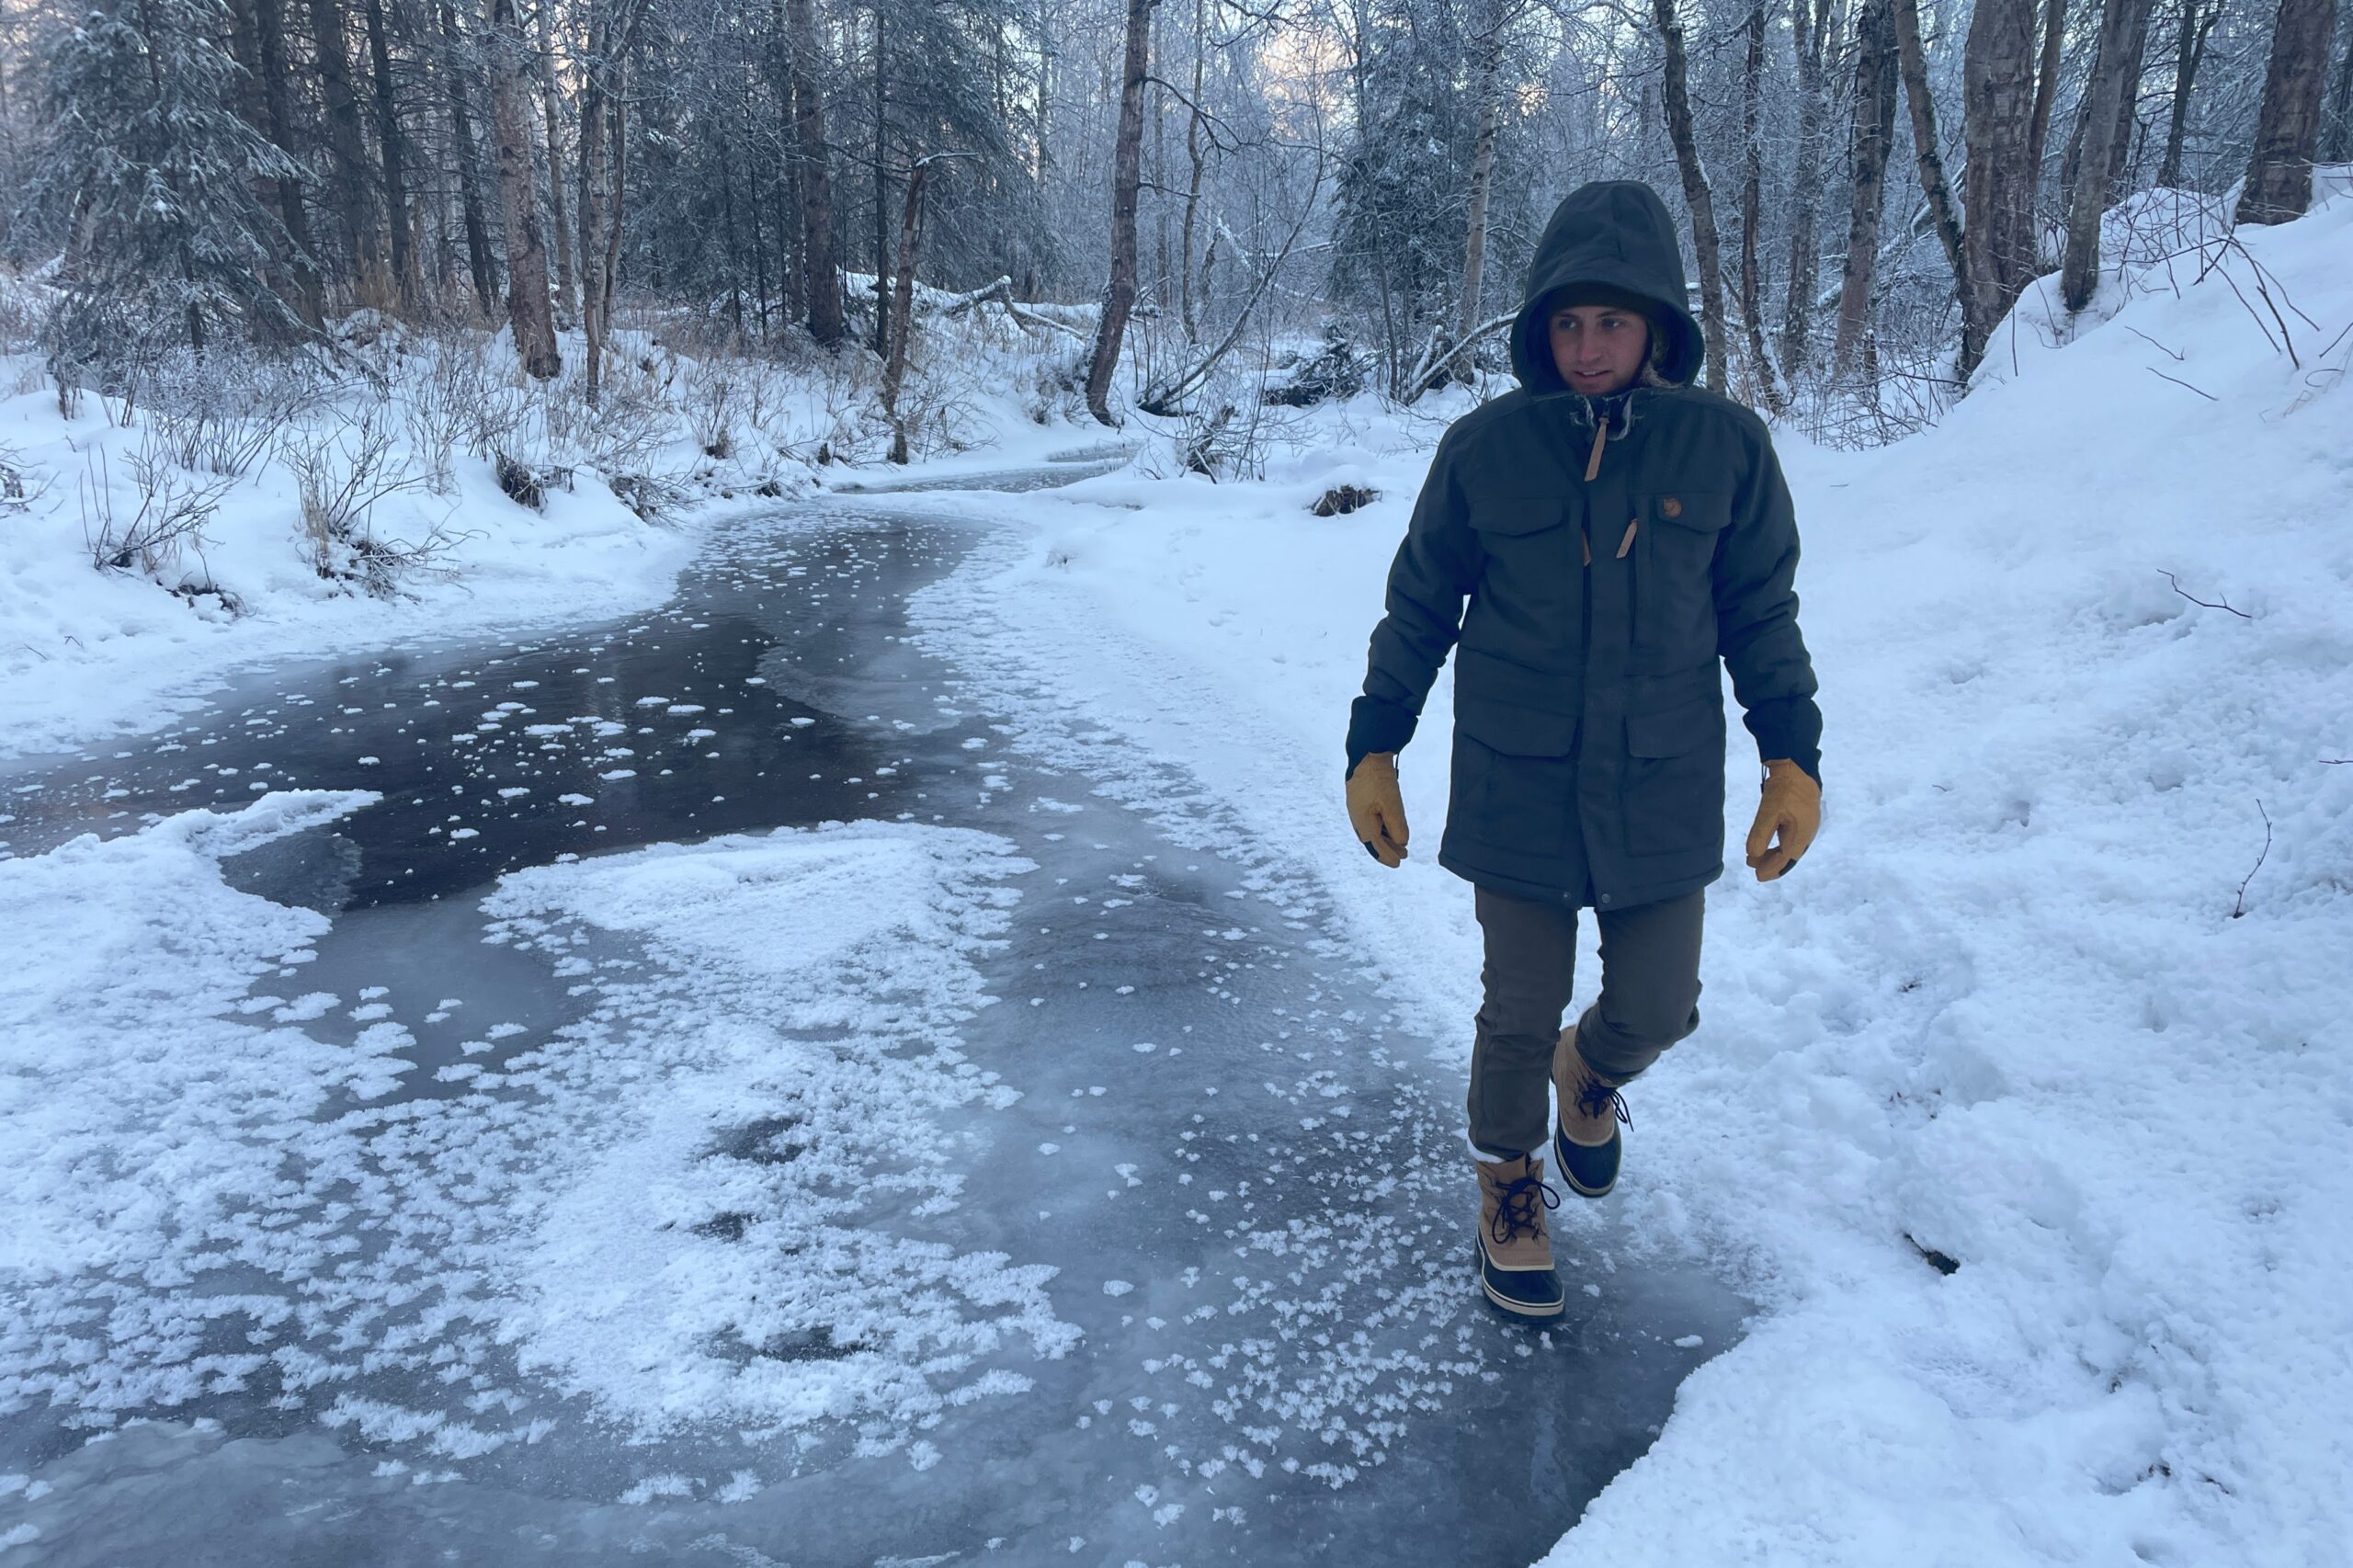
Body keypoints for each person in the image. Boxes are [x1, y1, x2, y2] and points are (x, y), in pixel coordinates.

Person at [1342, 180, 1824, 1321]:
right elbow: (1420, 605)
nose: (1588, 346)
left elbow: (1759, 609)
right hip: (1516, 774)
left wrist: (1790, 756)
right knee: (1517, 1004)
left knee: (1658, 1004)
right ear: (1537, 329)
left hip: (1659, 776)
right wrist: (1376, 744)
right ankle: (1506, 1177)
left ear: (1657, 326)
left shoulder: (1726, 448)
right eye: (1567, 322)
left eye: (1611, 322)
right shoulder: (1484, 450)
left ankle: (1591, 1072)